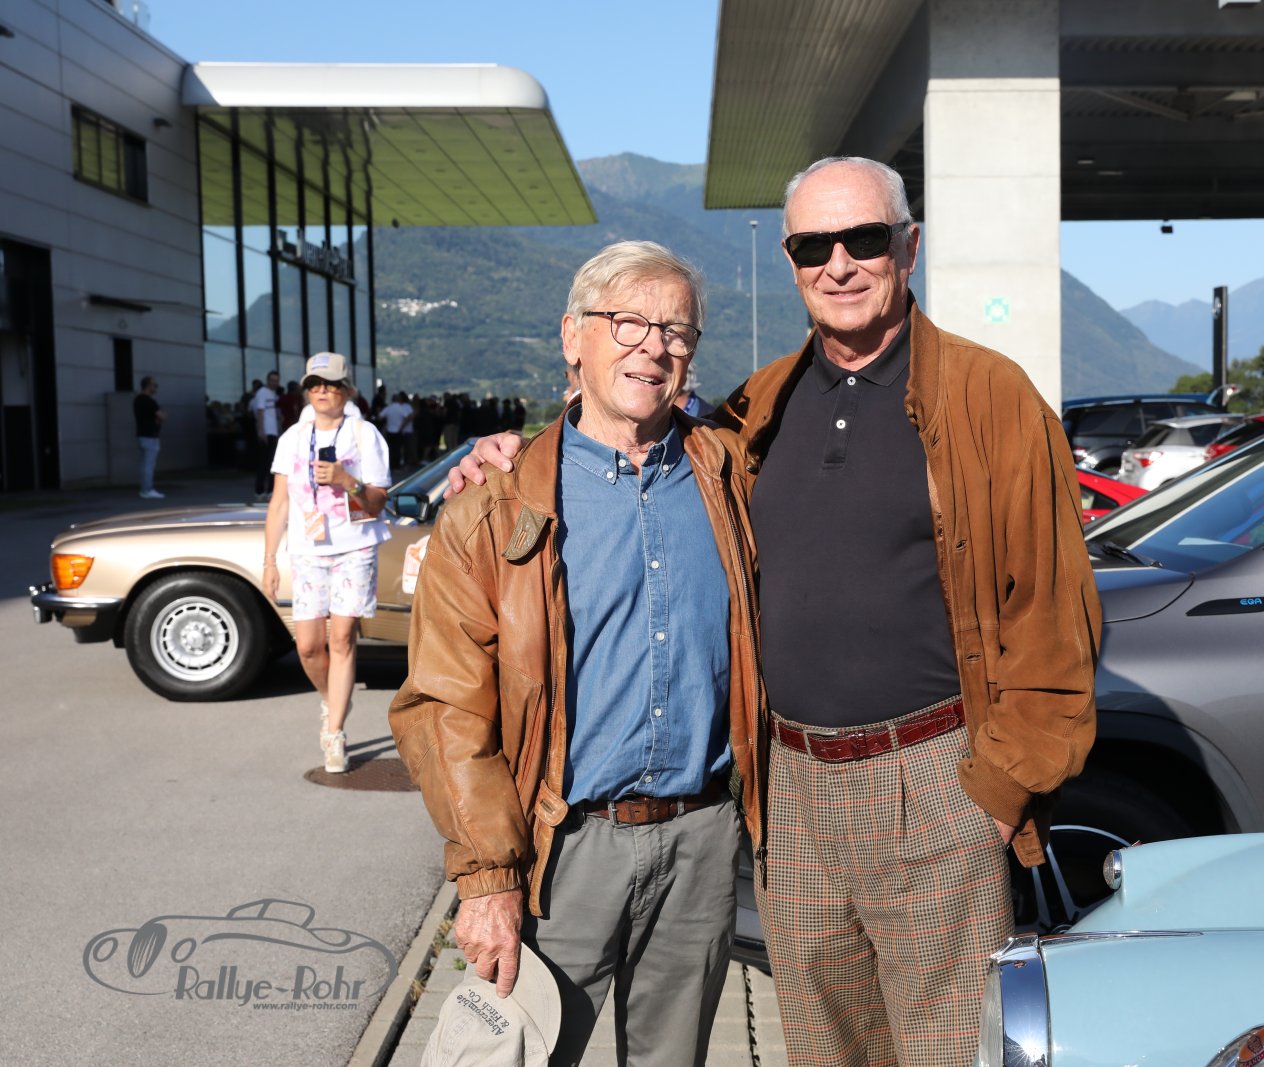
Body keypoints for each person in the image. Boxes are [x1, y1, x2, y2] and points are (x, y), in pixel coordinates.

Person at [451, 158, 1102, 1067]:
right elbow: (621, 432)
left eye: (864, 239)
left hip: (932, 780)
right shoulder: (756, 409)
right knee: (824, 1050)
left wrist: (996, 797)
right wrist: (510, 455)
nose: (840, 263)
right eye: (812, 246)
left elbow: (1056, 616)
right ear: (790, 262)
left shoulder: (990, 398)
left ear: (908, 247)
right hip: (788, 792)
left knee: (949, 1049)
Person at [390, 241, 763, 1067]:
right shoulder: (494, 507)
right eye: (627, 321)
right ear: (573, 337)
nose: (652, 346)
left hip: (702, 841)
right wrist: (487, 878)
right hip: (560, 851)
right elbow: (447, 709)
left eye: (675, 329)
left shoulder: (731, 477)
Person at [263, 352, 391, 773]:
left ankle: (334, 733)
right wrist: (269, 561)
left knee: (342, 638)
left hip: (355, 547)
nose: (322, 391)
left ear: (347, 391)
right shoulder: (291, 439)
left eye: (331, 384)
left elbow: (377, 503)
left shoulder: (365, 435)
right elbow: (279, 504)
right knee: (307, 646)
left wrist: (345, 480)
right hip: (307, 551)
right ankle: (333, 698)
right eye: (314, 384)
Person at [251, 370, 282, 500]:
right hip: (266, 432)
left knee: (272, 462)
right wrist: (261, 431)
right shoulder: (262, 393)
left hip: (273, 431)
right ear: (268, 380)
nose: (274, 383)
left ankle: (270, 490)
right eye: (272, 380)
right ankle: (259, 490)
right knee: (264, 462)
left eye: (276, 381)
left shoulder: (273, 394)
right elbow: (260, 412)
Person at [133, 376, 166, 499]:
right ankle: (147, 489)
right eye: (154, 385)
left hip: (142, 435)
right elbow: (162, 416)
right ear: (148, 386)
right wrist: (160, 417)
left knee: (145, 464)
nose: (156, 387)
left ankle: (145, 489)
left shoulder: (137, 400)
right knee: (149, 464)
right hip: (150, 436)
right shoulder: (150, 401)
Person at [378, 390, 415, 473]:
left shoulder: (388, 408)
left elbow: (380, 416)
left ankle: (391, 466)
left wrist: (388, 421)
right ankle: (396, 466)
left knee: (391, 449)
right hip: (398, 431)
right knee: (397, 450)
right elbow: (408, 417)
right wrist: (401, 426)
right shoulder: (400, 408)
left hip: (390, 431)